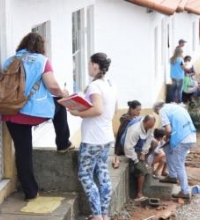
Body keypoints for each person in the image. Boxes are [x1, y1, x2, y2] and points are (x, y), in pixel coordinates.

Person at [1, 32, 69, 201]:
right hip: (32, 112)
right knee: (60, 104)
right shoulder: (41, 61)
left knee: (23, 152)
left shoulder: (10, 61)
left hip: (10, 112)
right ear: (40, 47)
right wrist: (64, 92)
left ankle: (30, 192)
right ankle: (62, 143)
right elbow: (52, 86)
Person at [69, 53, 117, 220]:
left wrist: (77, 112)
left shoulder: (95, 86)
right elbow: (112, 110)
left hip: (92, 138)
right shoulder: (109, 85)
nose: (88, 67)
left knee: (85, 175)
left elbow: (97, 110)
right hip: (106, 136)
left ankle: (96, 215)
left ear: (96, 66)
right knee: (103, 173)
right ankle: (104, 214)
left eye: (89, 64)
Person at [153, 101, 196, 200]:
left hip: (182, 139)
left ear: (158, 109)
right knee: (167, 148)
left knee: (179, 165)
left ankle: (184, 191)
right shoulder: (176, 107)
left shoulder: (163, 111)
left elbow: (168, 130)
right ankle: (172, 176)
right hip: (191, 136)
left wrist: (167, 138)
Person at [123, 115, 156, 202]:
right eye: (148, 127)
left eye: (151, 127)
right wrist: (136, 160)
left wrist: (143, 153)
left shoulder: (150, 127)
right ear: (144, 122)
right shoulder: (135, 130)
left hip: (139, 147)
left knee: (154, 144)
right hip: (130, 148)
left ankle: (145, 163)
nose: (150, 128)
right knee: (141, 170)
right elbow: (128, 147)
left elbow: (149, 139)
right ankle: (139, 195)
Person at [112, 100, 142, 169]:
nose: (139, 112)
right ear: (131, 109)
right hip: (122, 147)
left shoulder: (133, 119)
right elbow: (123, 137)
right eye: (137, 110)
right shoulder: (126, 120)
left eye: (140, 110)